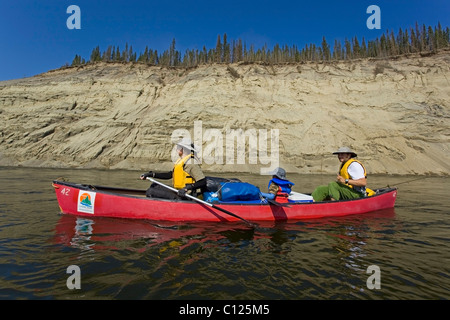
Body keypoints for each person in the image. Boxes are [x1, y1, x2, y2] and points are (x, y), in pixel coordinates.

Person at [140, 138, 207, 199]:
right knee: (154, 186)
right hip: (178, 191)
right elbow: (170, 175)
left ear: (183, 149)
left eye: (178, 147)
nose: (176, 148)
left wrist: (187, 188)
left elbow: (202, 181)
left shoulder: (191, 163)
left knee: (150, 191)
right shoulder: (181, 160)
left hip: (186, 195)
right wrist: (151, 174)